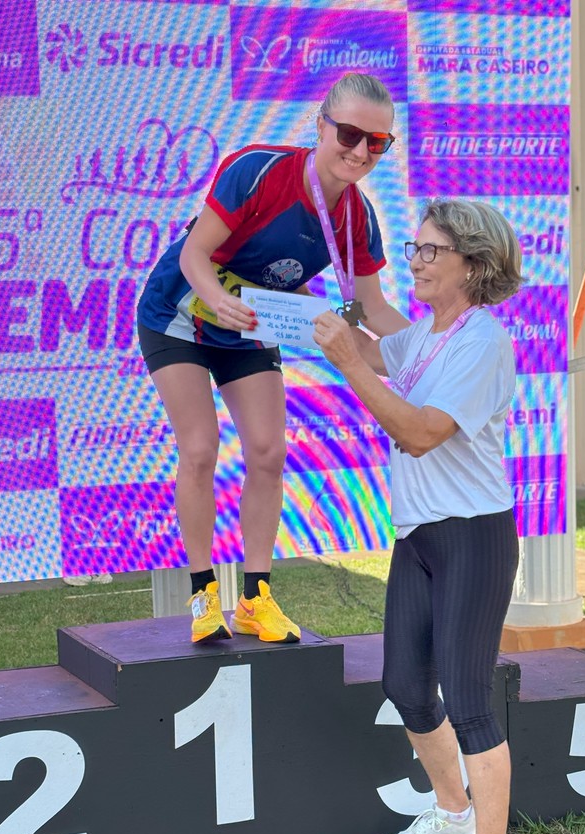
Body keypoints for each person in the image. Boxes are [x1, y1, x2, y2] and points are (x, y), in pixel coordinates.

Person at [137, 72, 408, 644]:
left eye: (377, 143)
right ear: (321, 126)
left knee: (267, 452)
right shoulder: (259, 169)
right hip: (182, 312)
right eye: (350, 135)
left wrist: (441, 345)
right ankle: (202, 595)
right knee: (200, 449)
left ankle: (256, 599)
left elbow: (374, 310)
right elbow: (195, 254)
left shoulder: (358, 216)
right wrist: (216, 300)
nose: (361, 152)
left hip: (254, 322)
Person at [313, 198, 525, 834]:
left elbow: (419, 432)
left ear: (474, 263)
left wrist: (349, 361)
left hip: (473, 535)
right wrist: (331, 322)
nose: (417, 261)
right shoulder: (425, 337)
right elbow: (372, 341)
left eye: (431, 251)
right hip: (421, 536)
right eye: (415, 248)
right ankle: (454, 814)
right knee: (406, 686)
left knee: (468, 702)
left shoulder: (481, 341)